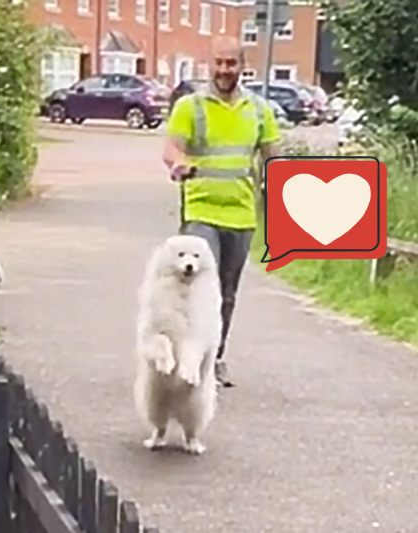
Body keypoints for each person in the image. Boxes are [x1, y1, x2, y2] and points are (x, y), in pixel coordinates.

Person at [162, 35, 281, 387]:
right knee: (200, 286)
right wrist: (179, 162)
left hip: (241, 216)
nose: (225, 70)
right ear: (209, 64)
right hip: (201, 212)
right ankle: (188, 358)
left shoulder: (259, 110)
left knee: (227, 293)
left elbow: (272, 157)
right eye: (219, 63)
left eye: (232, 63)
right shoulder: (190, 107)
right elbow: (171, 147)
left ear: (242, 66)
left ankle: (214, 357)